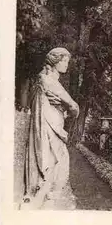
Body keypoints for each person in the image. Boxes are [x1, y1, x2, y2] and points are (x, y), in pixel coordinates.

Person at [20, 48, 79, 210]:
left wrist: (63, 109)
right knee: (56, 160)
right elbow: (74, 106)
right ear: (55, 61)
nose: (67, 64)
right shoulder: (49, 81)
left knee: (53, 160)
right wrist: (70, 109)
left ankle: (46, 196)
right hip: (49, 126)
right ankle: (47, 197)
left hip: (52, 123)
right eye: (64, 61)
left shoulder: (43, 80)